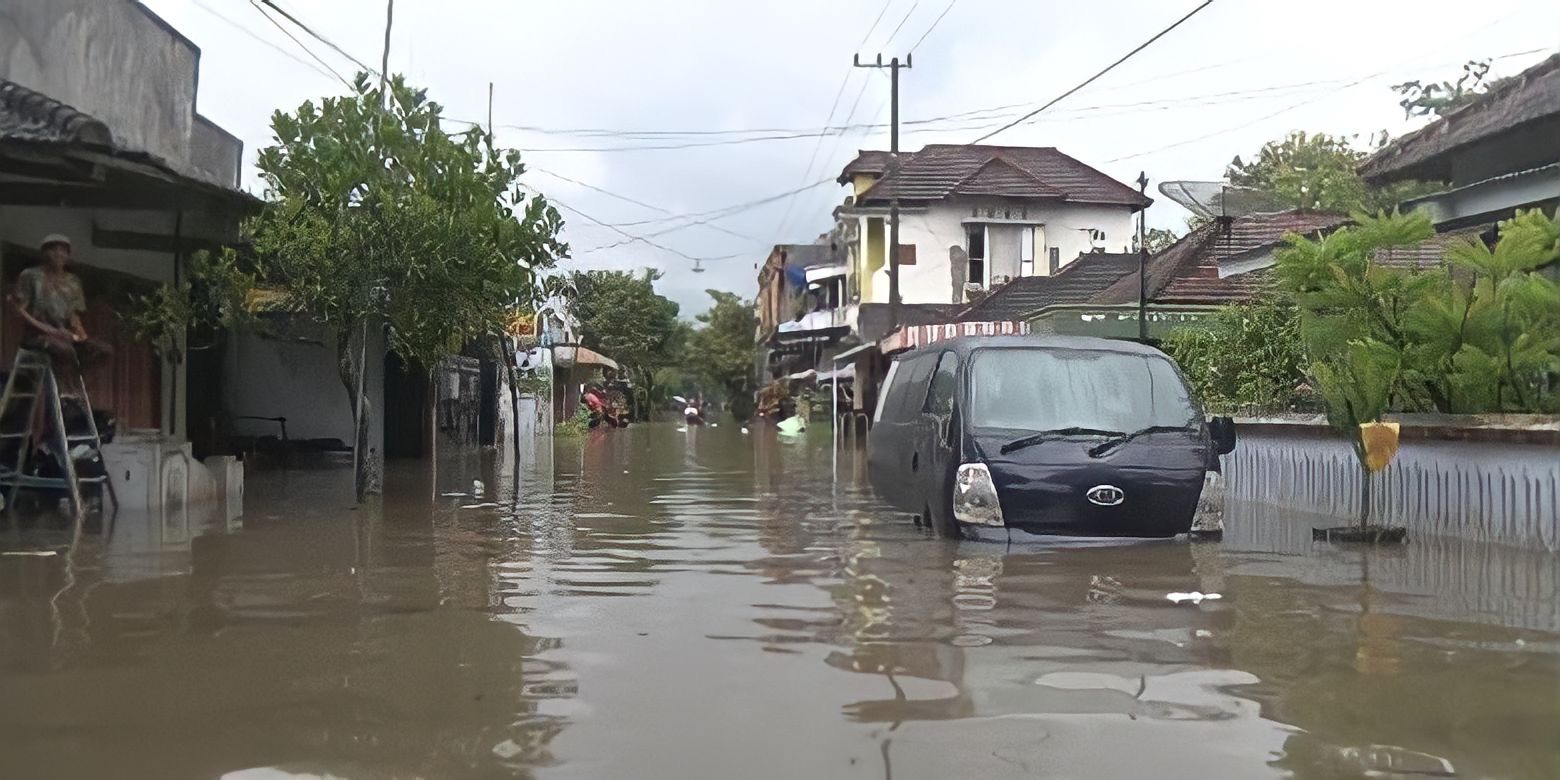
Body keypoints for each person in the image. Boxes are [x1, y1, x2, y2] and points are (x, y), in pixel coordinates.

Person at [11, 235, 111, 370]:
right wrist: (48, 329)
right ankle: (63, 384)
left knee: (103, 350)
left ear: (68, 255)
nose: (58, 254)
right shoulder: (30, 275)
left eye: (63, 250)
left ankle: (77, 378)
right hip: (36, 336)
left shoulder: (73, 281)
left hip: (63, 335)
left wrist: (80, 336)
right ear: (44, 253)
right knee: (64, 350)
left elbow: (74, 316)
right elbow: (18, 309)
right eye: (53, 249)